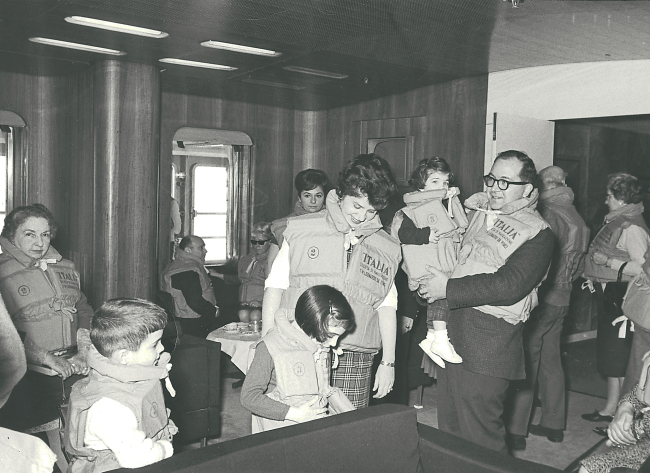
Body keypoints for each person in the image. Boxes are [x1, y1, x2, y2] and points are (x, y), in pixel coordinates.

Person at [417, 150, 554, 453]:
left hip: (490, 341)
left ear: (529, 190)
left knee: (481, 438)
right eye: (492, 179)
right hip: (453, 333)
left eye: (505, 182)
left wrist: (446, 288)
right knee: (450, 429)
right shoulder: (479, 215)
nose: (494, 187)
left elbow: (509, 285)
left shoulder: (540, 234)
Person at [262, 154, 401, 409]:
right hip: (299, 347)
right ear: (341, 195)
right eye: (356, 206)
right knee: (302, 428)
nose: (361, 217)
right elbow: (275, 287)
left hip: (354, 355)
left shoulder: (385, 246)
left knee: (349, 432)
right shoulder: (302, 230)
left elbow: (387, 306)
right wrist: (268, 345)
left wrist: (388, 363)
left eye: (371, 211)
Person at [0, 204, 93, 470]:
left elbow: (84, 308)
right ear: (12, 234)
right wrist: (46, 358)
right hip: (24, 373)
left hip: (74, 362)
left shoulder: (66, 267)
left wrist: (84, 349)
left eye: (45, 234)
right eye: (30, 234)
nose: (39, 243)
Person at [506, 166, 590, 450]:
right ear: (564, 183)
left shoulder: (548, 214)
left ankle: (516, 431)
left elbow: (537, 262)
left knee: (526, 362)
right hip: (565, 297)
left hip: (544, 299)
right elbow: (579, 268)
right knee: (552, 362)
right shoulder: (578, 216)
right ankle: (554, 424)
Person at [64, 298, 177, 472]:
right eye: (155, 344)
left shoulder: (122, 373)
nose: (162, 349)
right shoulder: (111, 409)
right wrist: (165, 448)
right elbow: (136, 457)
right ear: (124, 357)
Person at [581, 173, 650, 429]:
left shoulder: (631, 227)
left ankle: (621, 417)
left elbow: (643, 267)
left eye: (610, 196)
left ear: (621, 199)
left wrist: (608, 263)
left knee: (620, 358)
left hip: (622, 297)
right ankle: (611, 408)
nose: (606, 200)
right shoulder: (619, 221)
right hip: (610, 294)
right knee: (611, 356)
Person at [241, 285, 356, 432]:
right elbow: (248, 397)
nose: (334, 343)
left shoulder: (316, 341)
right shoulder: (269, 346)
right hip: (282, 436)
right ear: (312, 322)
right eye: (332, 335)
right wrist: (296, 414)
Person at [390, 157, 467, 367]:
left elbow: (461, 226)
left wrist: (453, 201)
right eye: (435, 182)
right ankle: (440, 338)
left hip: (444, 266)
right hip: (427, 269)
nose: (441, 187)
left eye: (445, 183)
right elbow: (402, 233)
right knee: (441, 299)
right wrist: (424, 234)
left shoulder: (443, 207)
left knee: (442, 301)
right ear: (421, 184)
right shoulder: (412, 209)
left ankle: (433, 337)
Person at [267, 169, 329, 269]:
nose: (313, 201)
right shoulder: (282, 226)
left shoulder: (334, 223)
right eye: (307, 195)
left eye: (318, 195)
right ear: (299, 198)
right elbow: (271, 264)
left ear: (324, 197)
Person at [211, 222, 272, 323]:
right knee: (243, 315)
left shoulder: (271, 261)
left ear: (269, 242)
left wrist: (261, 302)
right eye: (254, 242)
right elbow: (239, 279)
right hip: (244, 302)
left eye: (261, 242)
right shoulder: (245, 260)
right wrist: (217, 275)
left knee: (255, 316)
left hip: (262, 302)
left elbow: (274, 287)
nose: (257, 246)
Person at [160, 235, 219, 338]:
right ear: (188, 250)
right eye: (201, 248)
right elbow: (194, 301)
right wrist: (213, 311)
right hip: (193, 322)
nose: (205, 251)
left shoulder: (181, 265)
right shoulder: (186, 270)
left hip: (191, 319)